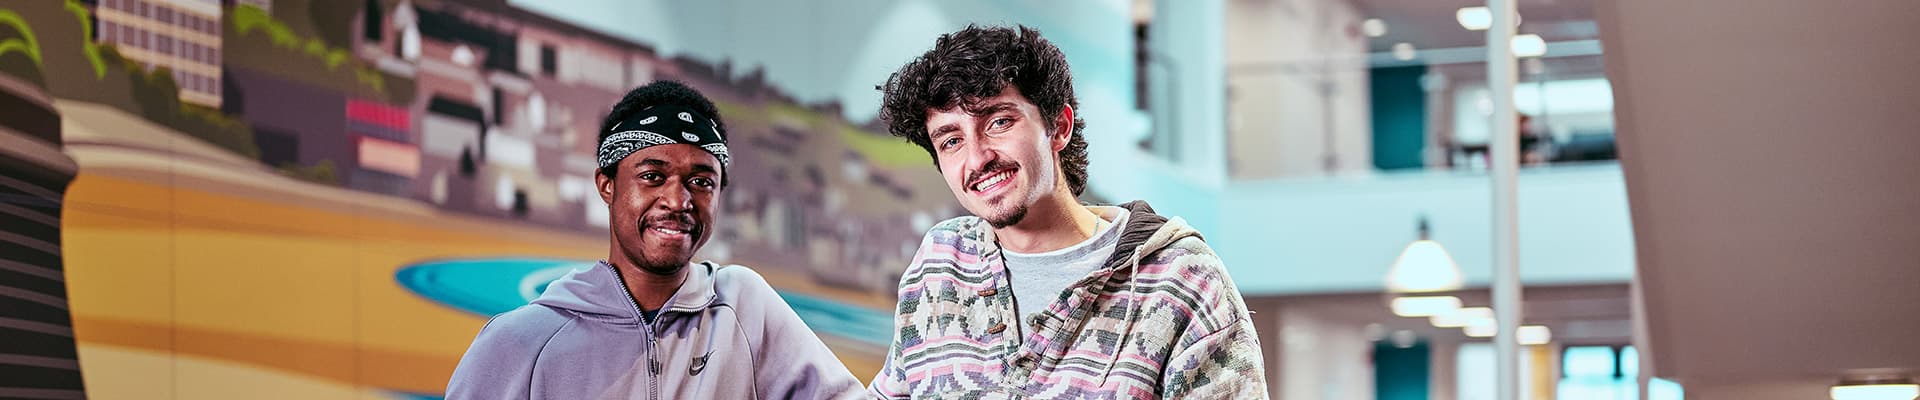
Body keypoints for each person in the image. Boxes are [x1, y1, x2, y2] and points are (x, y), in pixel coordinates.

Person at [866, 25, 1271, 398]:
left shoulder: (1180, 281)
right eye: (951, 140)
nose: (977, 158)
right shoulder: (940, 263)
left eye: (999, 122)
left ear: (1059, 127)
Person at [446, 81, 863, 399]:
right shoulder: (520, 342)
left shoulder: (744, 307)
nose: (678, 200)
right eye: (652, 177)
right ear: (607, 185)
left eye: (701, 181)